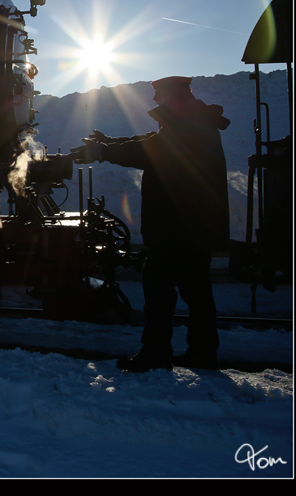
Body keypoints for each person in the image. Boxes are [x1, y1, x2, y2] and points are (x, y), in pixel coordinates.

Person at [72, 77, 231, 371]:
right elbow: (149, 142)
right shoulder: (192, 120)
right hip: (193, 225)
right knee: (196, 291)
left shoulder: (188, 124)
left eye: (158, 94)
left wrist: (103, 152)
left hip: (178, 226)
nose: (155, 100)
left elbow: (151, 151)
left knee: (158, 287)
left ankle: (156, 352)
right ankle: (203, 352)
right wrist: (108, 143)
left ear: (170, 94)